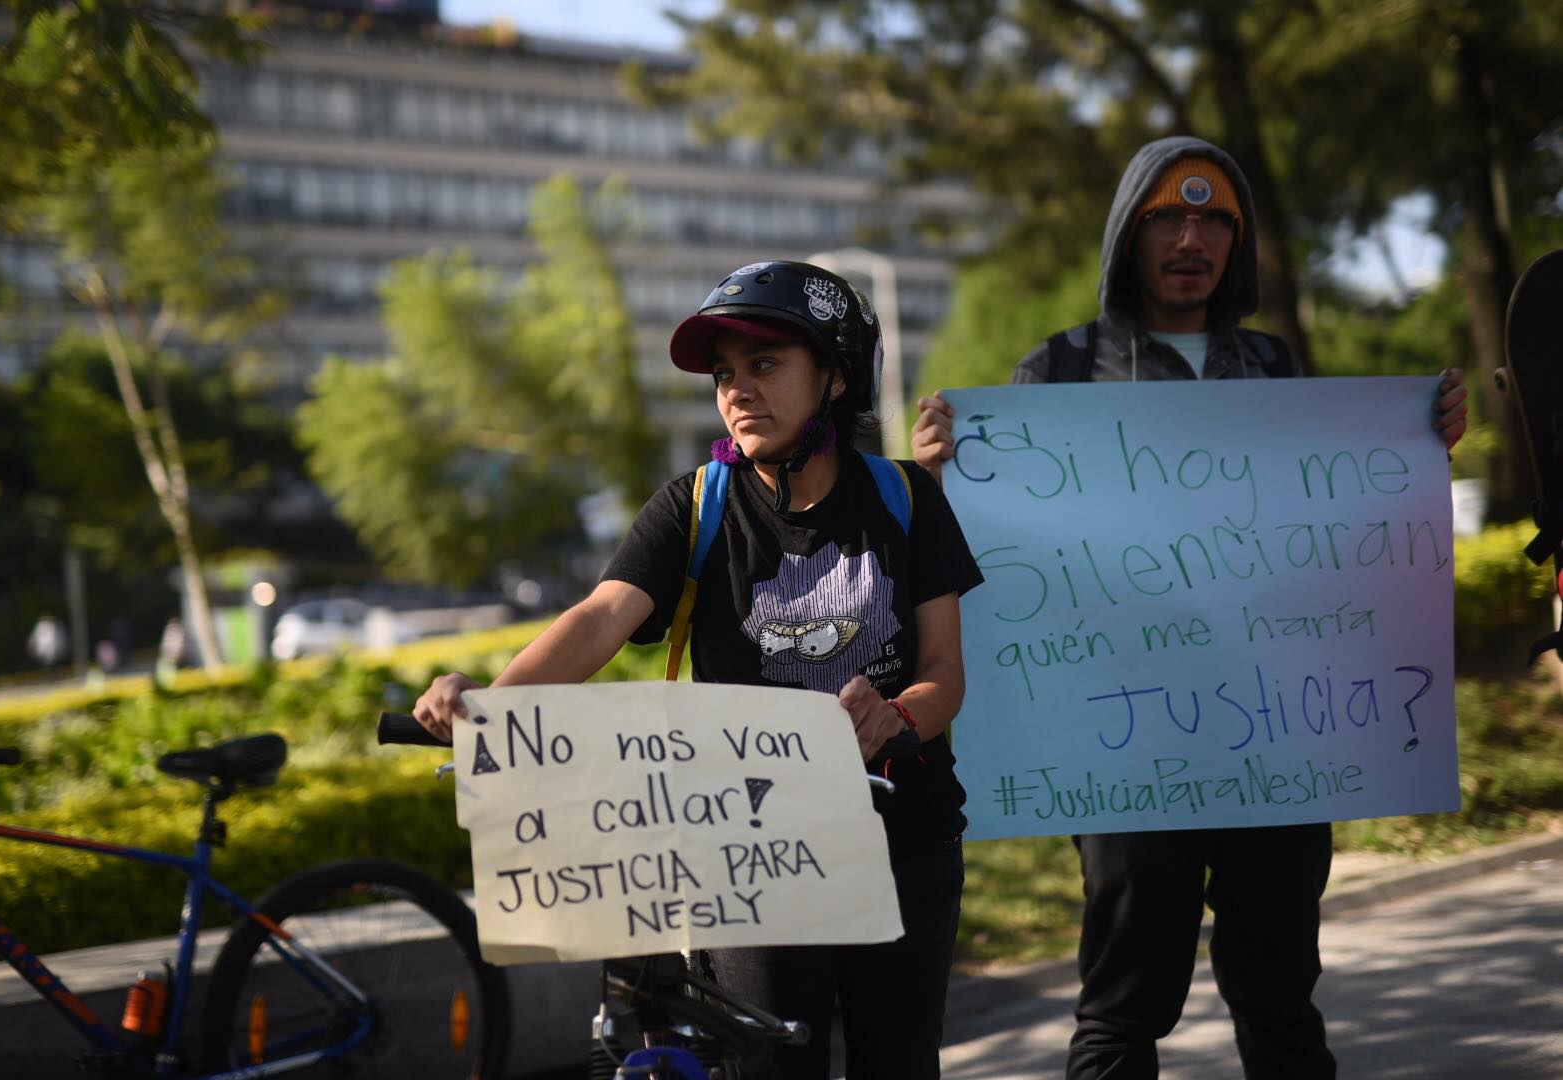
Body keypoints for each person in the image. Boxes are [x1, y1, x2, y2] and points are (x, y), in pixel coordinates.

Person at [911, 135, 1469, 1080]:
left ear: (1237, 243)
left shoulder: (1274, 366)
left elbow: (1336, 530)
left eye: (1215, 219)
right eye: (1168, 215)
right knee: (1124, 1008)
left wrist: (1419, 444)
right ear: (1128, 236)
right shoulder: (1055, 373)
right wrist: (939, 478)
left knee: (1281, 993)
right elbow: (992, 555)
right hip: (1128, 756)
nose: (1191, 238)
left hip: (1280, 746)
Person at [415, 260, 984, 1080]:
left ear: (834, 378)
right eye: (724, 375)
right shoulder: (695, 504)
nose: (737, 391)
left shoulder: (904, 498)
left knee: (897, 1064)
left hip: (906, 842)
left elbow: (944, 676)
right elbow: (599, 617)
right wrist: (490, 705)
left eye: (765, 366)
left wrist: (896, 718)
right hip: (754, 852)